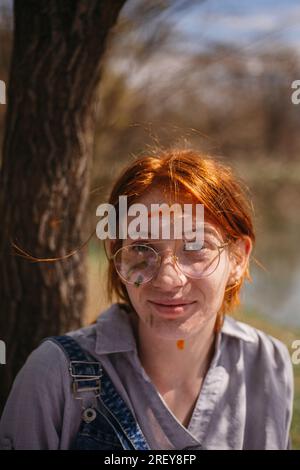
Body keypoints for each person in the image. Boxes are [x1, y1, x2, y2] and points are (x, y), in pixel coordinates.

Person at [0, 148, 294, 450]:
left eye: (195, 245)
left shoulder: (268, 364)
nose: (168, 279)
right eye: (142, 248)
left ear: (238, 259)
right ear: (117, 257)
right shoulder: (53, 375)